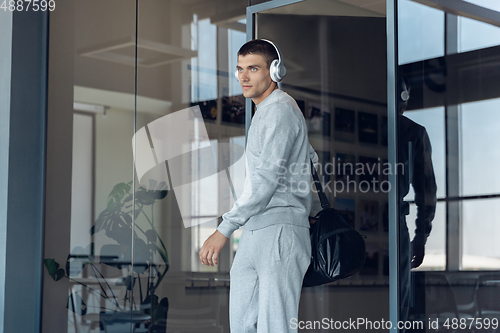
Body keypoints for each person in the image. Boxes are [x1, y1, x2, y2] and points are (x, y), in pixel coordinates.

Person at [199, 39, 318, 333]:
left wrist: (224, 228)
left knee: (276, 326)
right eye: (240, 69)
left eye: (253, 68)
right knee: (242, 325)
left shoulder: (280, 110)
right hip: (256, 230)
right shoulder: (265, 112)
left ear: (275, 71)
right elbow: (311, 160)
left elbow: (265, 182)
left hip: (279, 231)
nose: (243, 76)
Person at [397, 73, 437, 329]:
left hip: (392, 224)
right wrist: (420, 236)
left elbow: (426, 191)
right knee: (397, 302)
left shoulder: (412, 133)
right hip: (394, 227)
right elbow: (426, 190)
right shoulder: (412, 132)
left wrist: (421, 235)